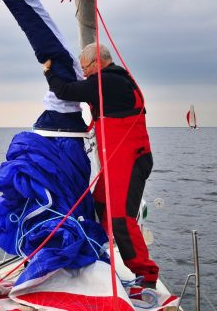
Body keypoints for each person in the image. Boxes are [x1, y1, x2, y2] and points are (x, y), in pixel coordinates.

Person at [43, 43, 159, 288]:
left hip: (129, 160)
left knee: (121, 219)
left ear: (98, 62)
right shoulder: (112, 80)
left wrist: (48, 72)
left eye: (85, 68)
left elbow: (64, 90)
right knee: (99, 204)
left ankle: (146, 277)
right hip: (118, 161)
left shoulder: (108, 82)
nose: (84, 74)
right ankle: (98, 249)